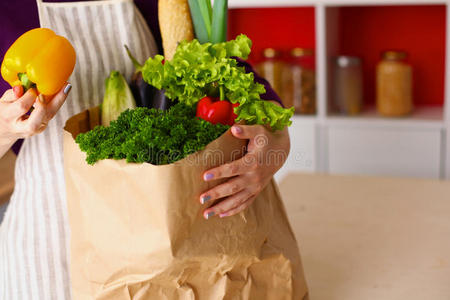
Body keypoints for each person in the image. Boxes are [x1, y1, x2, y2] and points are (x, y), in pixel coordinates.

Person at [0, 0, 291, 298]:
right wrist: (4, 127)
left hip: (152, 244)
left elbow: (219, 68)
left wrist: (276, 138)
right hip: (48, 243)